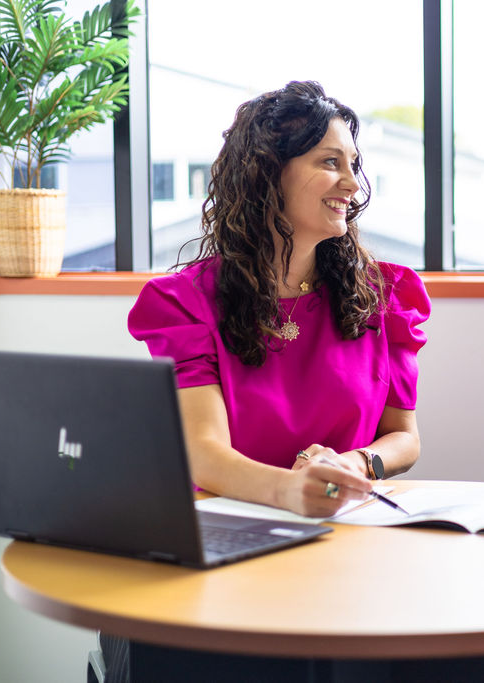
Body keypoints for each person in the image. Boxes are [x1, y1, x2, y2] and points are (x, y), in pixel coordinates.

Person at [128, 81, 430, 518]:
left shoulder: (387, 295)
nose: (352, 183)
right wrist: (289, 490)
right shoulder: (185, 304)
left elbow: (405, 438)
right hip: (233, 526)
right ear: (268, 172)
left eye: (353, 164)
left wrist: (354, 463)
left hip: (348, 522)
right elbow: (204, 451)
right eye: (330, 162)